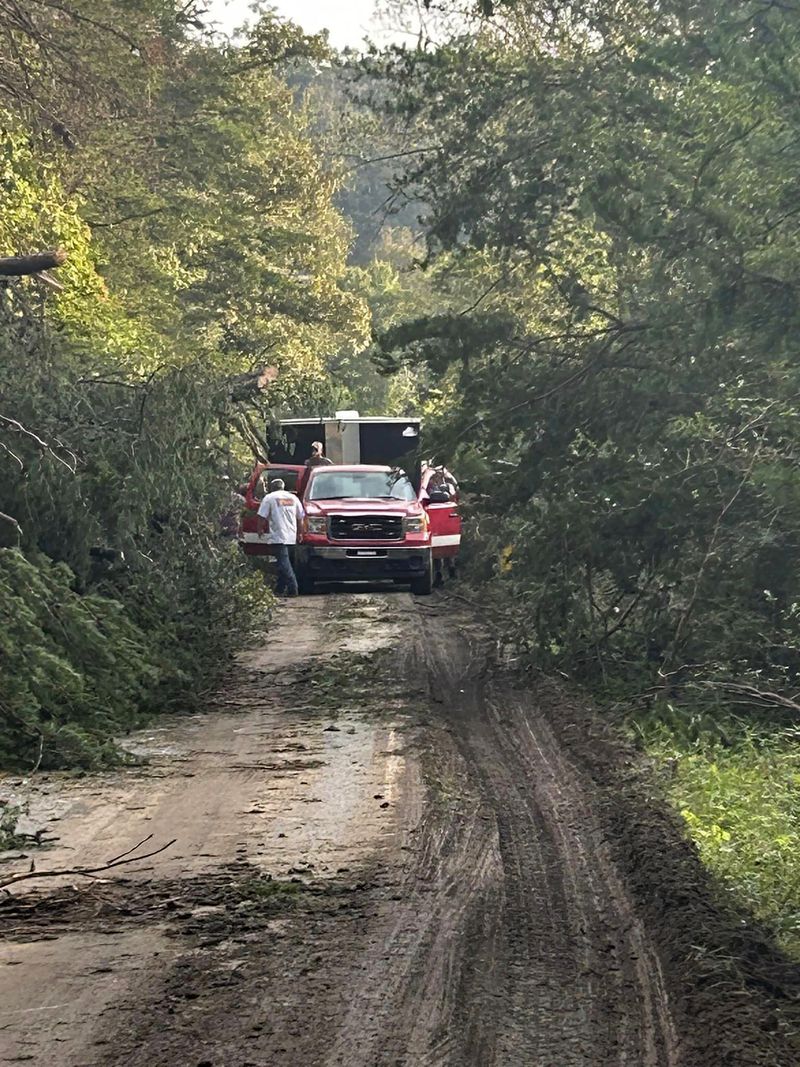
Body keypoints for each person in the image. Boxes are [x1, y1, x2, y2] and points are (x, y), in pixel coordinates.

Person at [256, 478, 305, 597]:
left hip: (278, 537)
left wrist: (260, 529)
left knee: (284, 565)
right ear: (283, 487)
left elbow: (262, 516)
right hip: (291, 537)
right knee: (283, 564)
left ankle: (293, 588)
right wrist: (300, 533)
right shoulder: (293, 498)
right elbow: (300, 518)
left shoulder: (269, 498)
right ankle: (279, 589)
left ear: (272, 487)